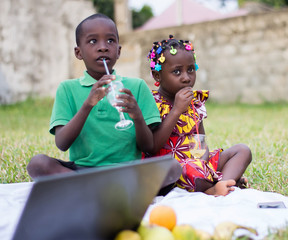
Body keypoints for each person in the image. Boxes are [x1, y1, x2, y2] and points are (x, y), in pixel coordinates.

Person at [26, 14, 178, 182]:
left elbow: (148, 146)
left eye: (110, 41)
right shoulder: (67, 89)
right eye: (93, 41)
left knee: (172, 167)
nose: (103, 47)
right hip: (83, 171)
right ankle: (108, 191)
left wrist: (137, 116)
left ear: (119, 51)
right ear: (78, 52)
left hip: (127, 170)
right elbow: (62, 143)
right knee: (38, 164)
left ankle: (92, 191)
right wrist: (87, 105)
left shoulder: (137, 86)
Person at [144, 35, 252, 196]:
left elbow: (200, 141)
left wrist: (203, 160)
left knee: (242, 151)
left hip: (196, 165)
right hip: (170, 169)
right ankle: (212, 188)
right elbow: (153, 145)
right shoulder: (152, 103)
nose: (186, 78)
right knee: (189, 168)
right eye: (177, 71)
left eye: (190, 70)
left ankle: (223, 184)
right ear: (157, 76)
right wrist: (176, 110)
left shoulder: (195, 103)